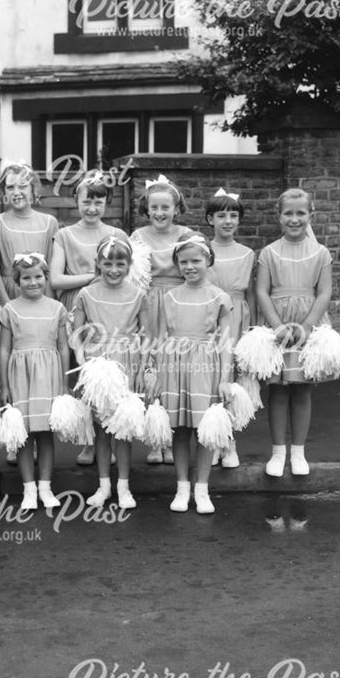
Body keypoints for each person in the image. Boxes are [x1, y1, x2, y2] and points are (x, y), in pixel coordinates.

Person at [50, 169, 129, 466]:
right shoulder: (64, 235)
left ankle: (109, 438)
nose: (92, 208)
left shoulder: (117, 235)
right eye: (87, 202)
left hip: (110, 308)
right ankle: (89, 442)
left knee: (107, 377)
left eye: (99, 202)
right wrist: (93, 277)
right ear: (76, 201)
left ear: (106, 204)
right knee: (84, 376)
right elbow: (56, 279)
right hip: (77, 307)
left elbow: (125, 274)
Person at [152, 235, 234, 515]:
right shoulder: (169, 297)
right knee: (180, 429)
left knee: (205, 429)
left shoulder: (220, 297)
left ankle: (202, 488)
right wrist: (157, 373)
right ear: (176, 264)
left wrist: (224, 378)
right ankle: (182, 487)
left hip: (206, 367)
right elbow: (161, 338)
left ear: (209, 260)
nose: (189, 266)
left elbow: (225, 342)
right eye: (183, 261)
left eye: (196, 260)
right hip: (174, 367)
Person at [255, 188, 333, 478]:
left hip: (307, 324)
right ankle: (278, 452)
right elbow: (261, 291)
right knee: (277, 389)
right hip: (278, 325)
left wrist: (308, 325)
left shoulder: (321, 253)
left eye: (301, 213)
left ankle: (298, 451)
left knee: (301, 389)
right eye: (288, 213)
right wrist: (276, 325)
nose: (295, 218)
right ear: (279, 217)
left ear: (311, 215)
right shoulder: (269, 252)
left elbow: (324, 292)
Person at [71, 236, 151, 510]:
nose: (114, 270)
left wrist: (141, 369)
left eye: (120, 263)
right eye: (108, 263)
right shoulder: (86, 294)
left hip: (127, 362)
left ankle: (124, 487)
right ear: (98, 264)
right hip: (98, 366)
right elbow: (77, 336)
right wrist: (85, 368)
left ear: (129, 264)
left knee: (122, 429)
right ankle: (104, 485)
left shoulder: (138, 295)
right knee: (102, 429)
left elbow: (146, 336)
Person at [0, 253, 69, 509]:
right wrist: (4, 385)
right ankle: (29, 489)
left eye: (38, 276)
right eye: (26, 278)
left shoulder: (56, 308)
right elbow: (4, 349)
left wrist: (64, 384)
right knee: (25, 434)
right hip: (21, 375)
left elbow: (63, 347)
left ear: (45, 278)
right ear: (17, 281)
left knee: (45, 434)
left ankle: (45, 486)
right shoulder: (10, 309)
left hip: (48, 374)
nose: (32, 282)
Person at [129, 174, 191, 464]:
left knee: (174, 368)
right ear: (146, 208)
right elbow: (134, 278)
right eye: (154, 207)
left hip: (179, 302)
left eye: (166, 207)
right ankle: (156, 440)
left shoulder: (187, 235)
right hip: (150, 304)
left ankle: (173, 436)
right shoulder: (138, 237)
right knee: (152, 367)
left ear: (176, 209)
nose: (160, 213)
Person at [205, 188, 255, 469]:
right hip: (211, 317)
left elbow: (248, 295)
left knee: (232, 377)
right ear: (210, 219)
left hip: (237, 317)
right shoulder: (203, 249)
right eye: (221, 215)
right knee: (212, 375)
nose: (227, 220)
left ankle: (231, 441)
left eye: (233, 215)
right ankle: (215, 438)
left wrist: (253, 332)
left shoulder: (247, 254)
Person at [0, 162, 58, 304]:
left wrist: (49, 302)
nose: (16, 192)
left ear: (33, 189)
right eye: (10, 187)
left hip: (41, 293)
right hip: (10, 294)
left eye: (23, 186)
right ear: (4, 191)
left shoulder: (49, 223)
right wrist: (5, 302)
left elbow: (51, 269)